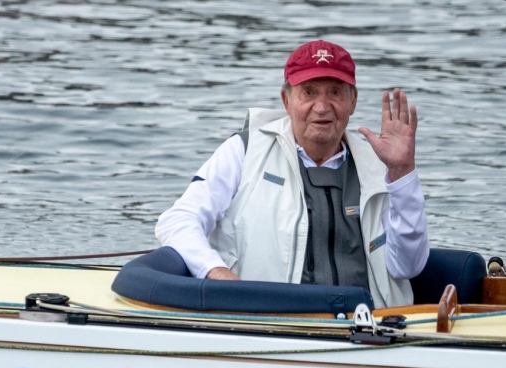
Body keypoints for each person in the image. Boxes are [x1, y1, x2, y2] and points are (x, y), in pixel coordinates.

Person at [155, 40, 429, 308]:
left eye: (335, 92)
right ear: (286, 100)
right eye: (308, 92)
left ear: (353, 101)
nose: (321, 106)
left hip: (371, 332)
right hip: (267, 325)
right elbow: (177, 221)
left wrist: (403, 173)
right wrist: (216, 273)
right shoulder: (244, 150)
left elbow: (408, 266)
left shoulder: (381, 165)